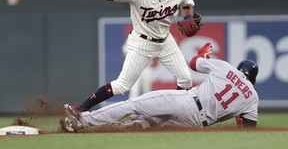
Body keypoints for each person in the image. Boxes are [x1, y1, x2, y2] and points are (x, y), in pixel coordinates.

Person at [70, 0, 203, 112]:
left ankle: (176, 114)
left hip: (166, 41)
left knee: (186, 80)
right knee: (122, 85)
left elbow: (187, 4)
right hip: (142, 42)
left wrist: (188, 18)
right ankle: (80, 109)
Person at [62, 42, 259, 132]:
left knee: (133, 104)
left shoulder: (226, 68)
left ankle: (82, 120)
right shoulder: (253, 97)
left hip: (188, 102)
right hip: (196, 125)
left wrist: (202, 54)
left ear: (240, 69)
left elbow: (193, 63)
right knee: (143, 125)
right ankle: (115, 128)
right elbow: (247, 128)